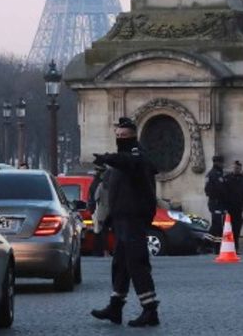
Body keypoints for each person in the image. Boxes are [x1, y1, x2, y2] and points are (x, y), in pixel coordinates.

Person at [90, 117, 160, 328]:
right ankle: (115, 306)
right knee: (120, 264)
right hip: (121, 218)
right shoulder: (121, 162)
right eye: (118, 136)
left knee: (137, 263)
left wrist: (107, 158)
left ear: (132, 137)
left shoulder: (137, 157)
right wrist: (111, 216)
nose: (120, 139)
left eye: (124, 136)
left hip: (134, 218)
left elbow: (129, 162)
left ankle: (150, 310)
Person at [223, 161, 243, 251]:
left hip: (239, 208)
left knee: (237, 228)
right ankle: (226, 246)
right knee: (227, 228)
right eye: (235, 168)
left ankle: (236, 247)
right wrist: (225, 208)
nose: (236, 170)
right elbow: (224, 194)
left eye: (238, 168)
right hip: (229, 207)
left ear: (240, 169)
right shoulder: (227, 178)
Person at [88, 163, 111, 257]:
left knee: (98, 232)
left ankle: (98, 251)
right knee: (104, 232)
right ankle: (103, 251)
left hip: (99, 211)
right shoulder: (106, 184)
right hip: (107, 211)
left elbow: (95, 197)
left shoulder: (96, 184)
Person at [204, 155, 228, 245]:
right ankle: (216, 246)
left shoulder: (220, 173)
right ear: (217, 163)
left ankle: (207, 243)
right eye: (221, 162)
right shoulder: (212, 174)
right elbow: (208, 190)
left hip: (220, 203)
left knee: (215, 225)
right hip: (215, 203)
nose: (223, 164)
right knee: (217, 226)